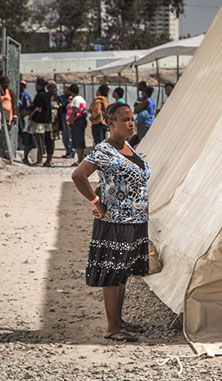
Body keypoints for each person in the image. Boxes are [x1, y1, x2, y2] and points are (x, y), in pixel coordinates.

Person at [71, 102, 151, 342]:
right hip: (115, 221)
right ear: (110, 123)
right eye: (125, 119)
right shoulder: (104, 150)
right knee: (112, 273)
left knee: (123, 272)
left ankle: (119, 320)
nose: (130, 123)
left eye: (132, 118)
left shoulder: (127, 147)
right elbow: (78, 175)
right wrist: (97, 203)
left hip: (135, 220)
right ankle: (112, 327)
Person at [28, 78, 53, 166]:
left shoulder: (39, 95)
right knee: (48, 140)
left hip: (40, 122)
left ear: (39, 86)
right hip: (48, 121)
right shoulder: (47, 95)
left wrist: (32, 122)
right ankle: (48, 160)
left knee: (39, 141)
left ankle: (39, 160)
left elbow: (38, 109)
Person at [67, 84, 88, 166]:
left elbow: (75, 111)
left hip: (77, 122)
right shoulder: (81, 98)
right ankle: (80, 159)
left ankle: (80, 160)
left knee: (78, 140)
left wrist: (70, 121)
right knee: (80, 139)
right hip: (81, 121)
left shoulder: (75, 99)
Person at [58, 85, 74, 158]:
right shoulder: (62, 98)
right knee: (65, 136)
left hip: (71, 119)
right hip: (63, 118)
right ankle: (68, 151)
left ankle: (72, 151)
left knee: (70, 136)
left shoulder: (73, 99)